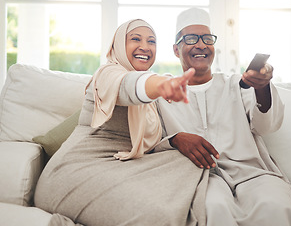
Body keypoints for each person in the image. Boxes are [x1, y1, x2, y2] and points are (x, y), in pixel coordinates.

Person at [34, 19, 206, 226]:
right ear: (118, 45)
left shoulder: (151, 91)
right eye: (135, 39)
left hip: (118, 166)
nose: (145, 46)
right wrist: (161, 85)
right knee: (160, 217)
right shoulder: (108, 74)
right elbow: (130, 87)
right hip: (72, 174)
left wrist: (175, 138)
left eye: (152, 41)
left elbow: (149, 87)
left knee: (191, 163)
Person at [151, 8, 291, 226]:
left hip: (252, 174)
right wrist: (175, 139)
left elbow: (267, 125)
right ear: (176, 49)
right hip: (200, 178)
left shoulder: (236, 84)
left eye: (207, 39)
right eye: (191, 38)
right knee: (213, 209)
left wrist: (262, 86)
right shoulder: (163, 91)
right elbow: (148, 140)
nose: (201, 45)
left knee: (275, 205)